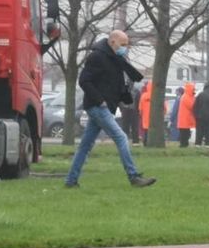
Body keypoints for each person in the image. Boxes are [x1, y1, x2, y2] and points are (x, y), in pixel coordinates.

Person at [64, 30, 156, 188]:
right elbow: (84, 81)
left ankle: (71, 181)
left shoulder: (114, 58)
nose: (125, 48)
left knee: (85, 146)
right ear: (112, 42)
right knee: (121, 137)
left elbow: (113, 82)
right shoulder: (97, 57)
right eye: (123, 44)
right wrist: (100, 101)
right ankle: (133, 176)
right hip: (97, 107)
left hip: (101, 106)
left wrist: (123, 96)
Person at [177, 82, 196, 148]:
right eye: (193, 89)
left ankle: (184, 145)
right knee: (184, 134)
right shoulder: (186, 97)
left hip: (185, 120)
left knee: (186, 133)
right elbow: (192, 106)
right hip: (184, 120)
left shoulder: (187, 96)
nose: (194, 91)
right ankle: (183, 145)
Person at [139, 81, 154, 146]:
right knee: (153, 131)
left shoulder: (144, 96)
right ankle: (153, 143)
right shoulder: (156, 95)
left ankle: (145, 143)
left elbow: (140, 108)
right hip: (154, 118)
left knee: (146, 131)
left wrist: (141, 114)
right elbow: (163, 107)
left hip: (145, 117)